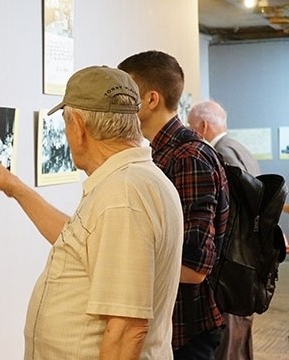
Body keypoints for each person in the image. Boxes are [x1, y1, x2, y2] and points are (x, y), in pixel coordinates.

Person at [0, 66, 184, 359]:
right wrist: (15, 187)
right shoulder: (133, 181)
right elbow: (81, 244)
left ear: (79, 127)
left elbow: (127, 330)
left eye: (65, 124)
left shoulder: (122, 196)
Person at [119, 51, 230, 360]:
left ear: (151, 99)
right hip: (170, 322)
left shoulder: (187, 156)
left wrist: (120, 269)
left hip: (187, 328)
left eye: (126, 94)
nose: (119, 105)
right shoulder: (161, 152)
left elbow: (195, 267)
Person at [187, 99, 259, 360]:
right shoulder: (239, 148)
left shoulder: (223, 154)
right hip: (246, 260)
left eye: (191, 126)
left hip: (233, 262)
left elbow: (232, 211)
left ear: (203, 126)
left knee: (229, 339)